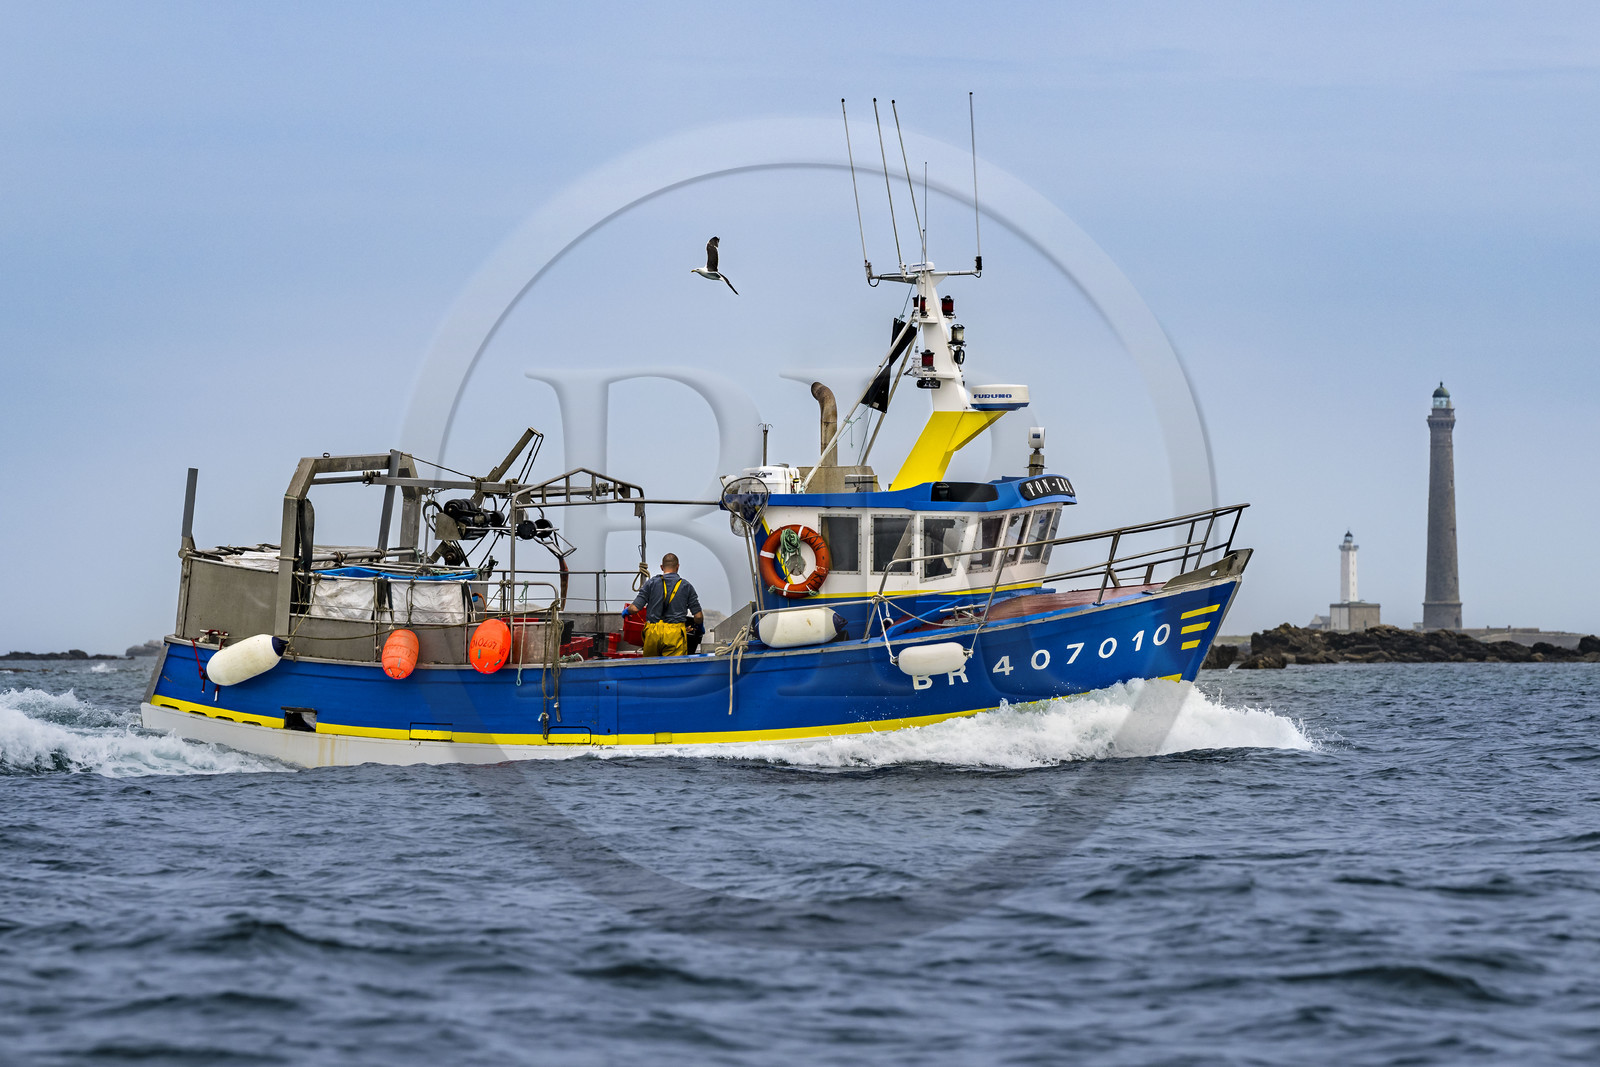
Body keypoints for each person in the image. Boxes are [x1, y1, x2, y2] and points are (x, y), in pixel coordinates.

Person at [624, 553, 704, 657]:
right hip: (674, 633)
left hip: (653, 632)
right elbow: (698, 616)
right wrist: (699, 625)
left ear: (661, 567)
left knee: (651, 667)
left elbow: (634, 609)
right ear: (678, 566)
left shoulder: (650, 583)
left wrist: (626, 612)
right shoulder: (686, 586)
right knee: (672, 668)